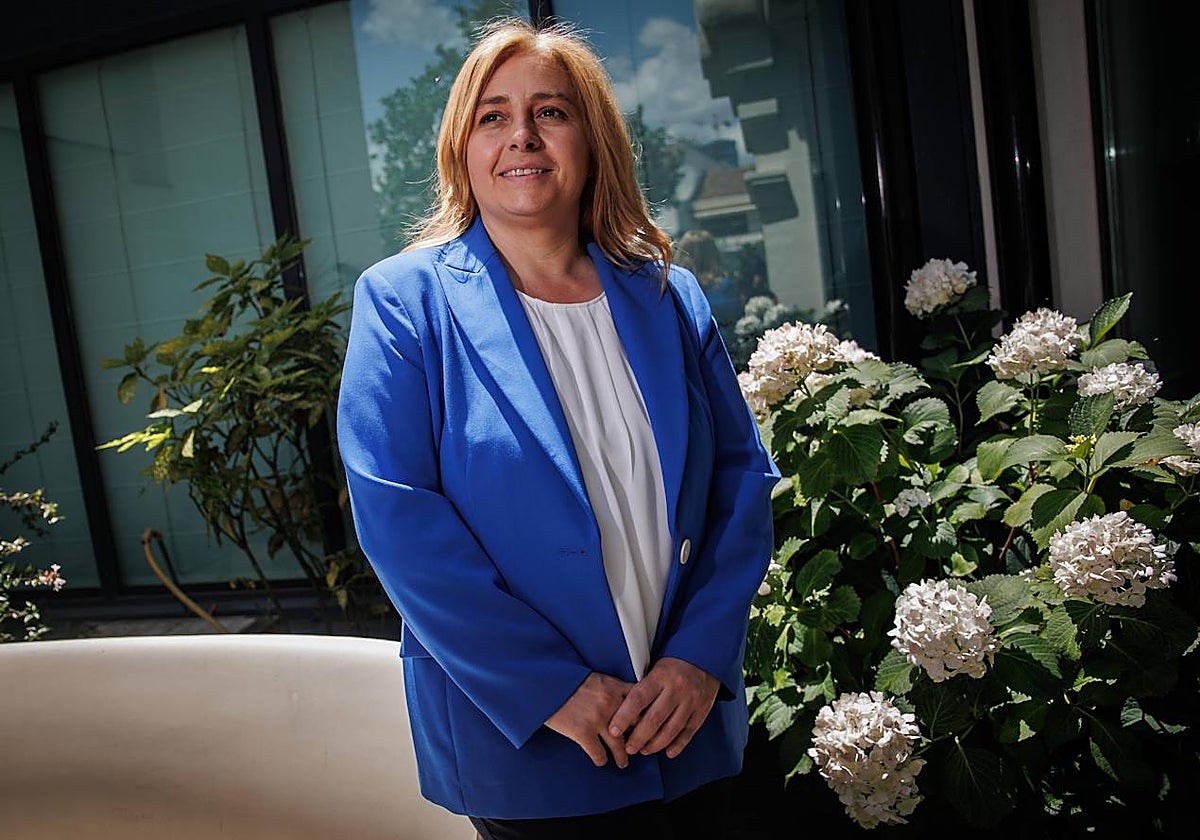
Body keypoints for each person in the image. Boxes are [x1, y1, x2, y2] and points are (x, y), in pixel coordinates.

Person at [336, 17, 779, 840]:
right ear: (462, 146)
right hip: (530, 752)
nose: (522, 137)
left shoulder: (668, 297)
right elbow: (400, 522)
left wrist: (697, 661)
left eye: (551, 111)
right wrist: (550, 689)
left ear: (592, 137)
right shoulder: (402, 303)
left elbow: (740, 483)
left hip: (689, 729)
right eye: (493, 115)